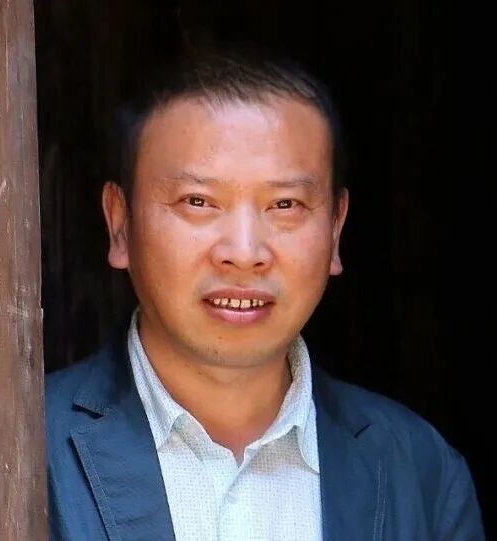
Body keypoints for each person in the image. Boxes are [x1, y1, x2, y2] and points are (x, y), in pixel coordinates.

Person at [46, 48, 485, 540]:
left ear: (336, 228)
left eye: (285, 204)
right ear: (120, 223)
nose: (244, 252)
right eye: (198, 201)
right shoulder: (19, 448)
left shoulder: (422, 472)